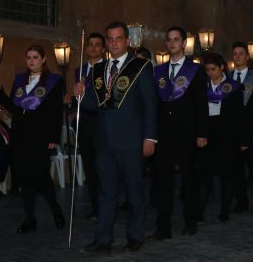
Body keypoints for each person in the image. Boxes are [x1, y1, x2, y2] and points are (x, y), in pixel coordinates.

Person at [74, 21, 157, 254]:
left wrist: (150, 138)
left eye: (118, 38)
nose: (113, 43)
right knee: (106, 193)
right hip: (104, 142)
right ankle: (103, 240)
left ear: (127, 41)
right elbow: (94, 105)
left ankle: (135, 236)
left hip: (132, 141)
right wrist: (80, 95)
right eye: (110, 39)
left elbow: (150, 105)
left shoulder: (140, 66)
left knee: (134, 193)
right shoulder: (99, 70)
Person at [0, 45, 65, 233]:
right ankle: (29, 219)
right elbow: (14, 107)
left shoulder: (54, 81)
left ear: (43, 60)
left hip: (41, 135)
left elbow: (56, 112)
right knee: (24, 179)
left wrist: (53, 137)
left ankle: (56, 210)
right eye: (28, 57)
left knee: (41, 177)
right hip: (20, 134)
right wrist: (0, 92)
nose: (31, 60)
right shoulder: (19, 80)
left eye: (35, 57)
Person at [148, 26, 208, 241]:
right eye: (169, 40)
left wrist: (202, 132)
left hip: (188, 133)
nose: (172, 43)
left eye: (176, 40)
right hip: (164, 134)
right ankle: (163, 227)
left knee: (189, 180)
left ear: (184, 44)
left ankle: (190, 220)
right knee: (163, 182)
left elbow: (202, 104)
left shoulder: (196, 70)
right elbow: (154, 105)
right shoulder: (159, 71)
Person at [198, 52, 248, 224]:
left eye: (213, 69)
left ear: (222, 68)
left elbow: (241, 116)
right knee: (205, 175)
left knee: (227, 176)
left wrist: (242, 140)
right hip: (208, 133)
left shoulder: (234, 87)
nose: (210, 73)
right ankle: (200, 212)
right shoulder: (203, 87)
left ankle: (224, 211)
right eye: (207, 70)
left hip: (228, 135)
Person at [228, 42, 253, 212]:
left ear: (247, 57)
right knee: (236, 169)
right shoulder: (226, 77)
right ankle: (241, 201)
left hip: (252, 129)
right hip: (232, 130)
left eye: (241, 53)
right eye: (235, 53)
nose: (237, 56)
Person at [73, 32, 106, 221]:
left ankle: (105, 207)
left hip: (101, 123)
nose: (93, 47)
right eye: (90, 44)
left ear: (103, 49)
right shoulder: (80, 70)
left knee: (103, 168)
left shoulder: (107, 69)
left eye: (97, 45)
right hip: (85, 124)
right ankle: (95, 207)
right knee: (90, 169)